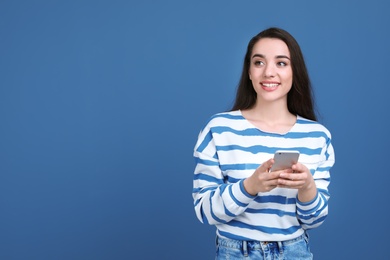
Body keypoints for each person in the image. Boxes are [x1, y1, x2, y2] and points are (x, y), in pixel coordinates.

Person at [192, 27, 335, 259]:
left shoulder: (317, 136)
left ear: (294, 72)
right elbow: (205, 212)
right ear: (249, 71)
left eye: (281, 63)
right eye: (259, 62)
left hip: (294, 251)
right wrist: (250, 186)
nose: (269, 72)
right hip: (236, 252)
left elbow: (314, 220)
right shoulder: (218, 128)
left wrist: (307, 186)